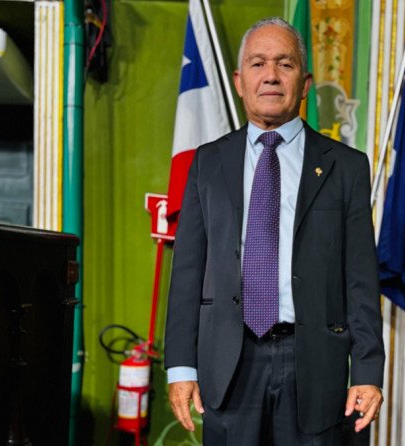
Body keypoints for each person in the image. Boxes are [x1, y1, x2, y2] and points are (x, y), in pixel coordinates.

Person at [164, 17, 384, 445]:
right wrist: (181, 367)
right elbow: (187, 272)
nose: (270, 75)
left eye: (284, 64)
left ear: (304, 84)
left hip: (314, 365)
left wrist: (368, 370)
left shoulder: (346, 167)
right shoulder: (207, 163)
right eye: (258, 63)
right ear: (239, 81)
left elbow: (361, 278)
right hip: (229, 362)